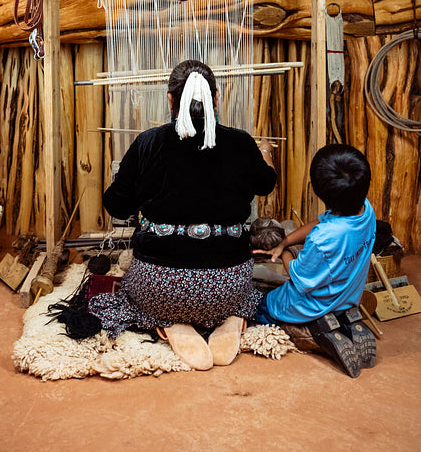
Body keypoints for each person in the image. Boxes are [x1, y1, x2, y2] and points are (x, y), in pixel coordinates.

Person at [51, 59, 276, 370]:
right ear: (216, 97)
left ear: (170, 99)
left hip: (161, 288)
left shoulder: (149, 142)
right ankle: (231, 317)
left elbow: (117, 205)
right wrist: (266, 154)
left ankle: (168, 321)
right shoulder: (240, 142)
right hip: (228, 286)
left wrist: (133, 178)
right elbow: (266, 184)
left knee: (132, 289)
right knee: (247, 292)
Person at [252, 143, 377, 378]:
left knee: (262, 306)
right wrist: (285, 241)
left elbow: (301, 280)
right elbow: (320, 223)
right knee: (324, 282)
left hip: (311, 305)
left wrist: (283, 254)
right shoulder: (365, 210)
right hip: (347, 297)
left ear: (317, 191)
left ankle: (316, 334)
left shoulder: (324, 239)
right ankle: (344, 319)